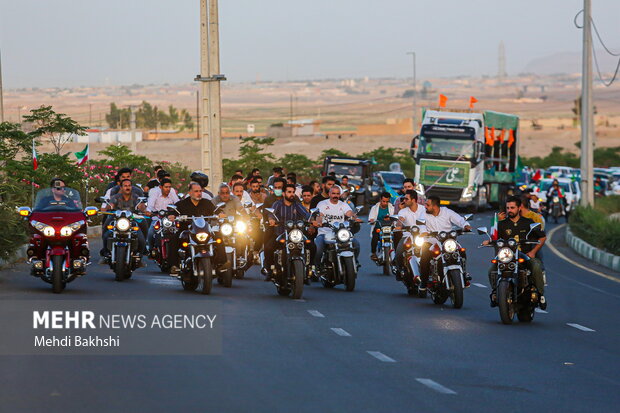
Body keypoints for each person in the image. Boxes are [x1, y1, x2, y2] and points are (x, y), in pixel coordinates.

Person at [486, 196, 547, 310]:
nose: (510, 210)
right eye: (508, 208)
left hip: (524, 255)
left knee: (536, 266)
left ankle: (540, 295)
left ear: (519, 208)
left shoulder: (528, 223)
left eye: (512, 208)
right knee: (491, 270)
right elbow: (494, 237)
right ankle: (495, 293)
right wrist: (488, 241)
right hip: (506, 256)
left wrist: (533, 252)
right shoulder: (502, 224)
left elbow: (543, 237)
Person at [168, 182, 224, 275]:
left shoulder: (206, 203)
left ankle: (221, 263)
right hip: (187, 231)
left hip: (205, 230)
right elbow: (172, 211)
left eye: (200, 191)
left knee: (218, 236)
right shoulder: (182, 204)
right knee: (173, 238)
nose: (199, 193)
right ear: (190, 192)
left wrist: (220, 214)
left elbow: (217, 211)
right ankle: (174, 266)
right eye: (196, 191)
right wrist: (171, 216)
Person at [418, 196, 471, 290]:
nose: (425, 206)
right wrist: (423, 232)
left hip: (448, 241)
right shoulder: (424, 214)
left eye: (427, 205)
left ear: (435, 206)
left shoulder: (447, 212)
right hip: (431, 241)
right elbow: (421, 224)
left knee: (461, 251)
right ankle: (424, 282)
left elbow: (459, 219)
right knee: (424, 258)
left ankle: (463, 275)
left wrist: (466, 225)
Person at [264, 184, 314, 281]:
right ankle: (270, 270)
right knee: (268, 247)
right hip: (280, 233)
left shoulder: (297, 205)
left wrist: (313, 220)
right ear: (284, 193)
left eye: (293, 192)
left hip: (296, 235)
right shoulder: (277, 204)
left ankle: (309, 270)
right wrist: (271, 220)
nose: (291, 194)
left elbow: (307, 215)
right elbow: (271, 214)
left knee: (312, 246)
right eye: (289, 192)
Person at [314, 186, 361, 269]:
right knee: (318, 247)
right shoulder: (322, 204)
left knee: (356, 244)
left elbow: (349, 213)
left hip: (340, 233)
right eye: (333, 193)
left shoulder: (343, 205)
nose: (335, 195)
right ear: (329, 194)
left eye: (337, 193)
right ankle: (317, 266)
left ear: (340, 195)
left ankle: (354, 261)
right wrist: (319, 222)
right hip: (325, 232)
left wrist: (355, 218)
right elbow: (319, 215)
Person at [101, 179, 147, 259]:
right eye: (125, 186)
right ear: (121, 187)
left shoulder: (135, 197)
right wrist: (108, 207)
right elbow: (110, 206)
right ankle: (106, 250)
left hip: (132, 219)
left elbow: (142, 207)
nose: (127, 188)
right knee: (106, 229)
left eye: (129, 186)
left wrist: (143, 208)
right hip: (117, 218)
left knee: (143, 228)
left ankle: (141, 251)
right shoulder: (116, 197)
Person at [393, 190, 426, 274]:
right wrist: (398, 225)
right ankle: (400, 271)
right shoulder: (403, 211)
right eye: (404, 199)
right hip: (407, 236)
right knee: (399, 252)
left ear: (414, 200)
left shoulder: (424, 209)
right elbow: (400, 220)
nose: (404, 201)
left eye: (406, 199)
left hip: (423, 236)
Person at [146, 178, 179, 251]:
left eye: (169, 187)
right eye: (166, 187)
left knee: (179, 232)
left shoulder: (172, 194)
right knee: (151, 232)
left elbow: (178, 204)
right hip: (157, 219)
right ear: (161, 187)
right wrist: (149, 212)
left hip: (170, 220)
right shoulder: (155, 194)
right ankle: (151, 250)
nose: (168, 189)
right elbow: (150, 206)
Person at [261, 177, 286, 276]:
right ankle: (269, 268)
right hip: (274, 229)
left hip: (290, 230)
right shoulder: (269, 199)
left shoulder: (292, 198)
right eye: (276, 187)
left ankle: (306, 270)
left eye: (280, 187)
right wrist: (270, 220)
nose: (277, 189)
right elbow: (266, 213)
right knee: (268, 247)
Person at [368, 192, 394, 261]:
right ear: (380, 200)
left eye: (387, 202)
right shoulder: (374, 208)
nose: (385, 203)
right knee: (375, 238)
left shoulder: (391, 208)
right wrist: (371, 220)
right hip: (378, 228)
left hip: (389, 228)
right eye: (383, 201)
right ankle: (373, 253)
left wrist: (390, 218)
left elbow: (394, 218)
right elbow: (371, 218)